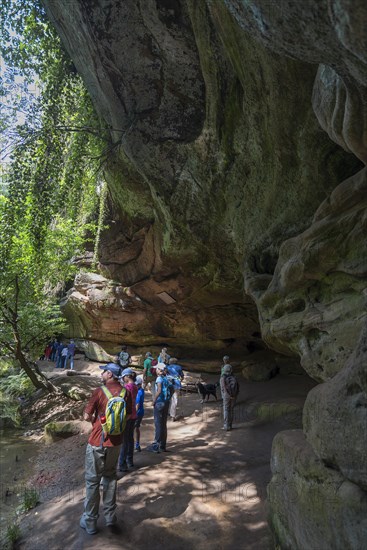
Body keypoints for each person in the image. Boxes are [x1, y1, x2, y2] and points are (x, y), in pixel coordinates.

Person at [80, 363, 132, 535]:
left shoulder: (99, 391)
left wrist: (95, 420)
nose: (101, 373)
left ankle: (90, 521)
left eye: (104, 371)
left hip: (97, 441)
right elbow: (130, 415)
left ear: (110, 374)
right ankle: (110, 516)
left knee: (92, 481)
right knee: (110, 477)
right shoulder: (126, 392)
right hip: (116, 442)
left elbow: (87, 416)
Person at [147, 364, 172, 453]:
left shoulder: (159, 379)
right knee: (163, 424)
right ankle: (162, 445)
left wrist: (154, 401)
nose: (155, 370)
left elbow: (159, 390)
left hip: (159, 402)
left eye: (156, 369)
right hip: (166, 402)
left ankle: (155, 446)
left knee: (158, 424)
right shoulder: (166, 378)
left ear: (159, 369)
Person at [118, 368, 137, 472]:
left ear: (126, 376)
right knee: (130, 438)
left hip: (127, 416)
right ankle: (130, 460)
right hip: (134, 415)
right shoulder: (135, 386)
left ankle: (122, 463)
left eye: (123, 377)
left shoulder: (127, 387)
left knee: (124, 440)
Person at [220, 364, 239, 431]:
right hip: (234, 395)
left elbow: (222, 389)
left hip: (226, 396)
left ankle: (226, 426)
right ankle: (230, 425)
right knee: (231, 409)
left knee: (226, 410)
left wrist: (225, 396)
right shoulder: (234, 377)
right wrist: (234, 395)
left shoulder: (222, 378)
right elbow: (237, 387)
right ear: (231, 370)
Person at [134, 376, 145, 452]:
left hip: (137, 413)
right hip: (140, 412)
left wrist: (133, 414)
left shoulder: (139, 392)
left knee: (134, 429)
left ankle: (136, 445)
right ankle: (137, 444)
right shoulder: (142, 390)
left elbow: (137, 405)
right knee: (136, 428)